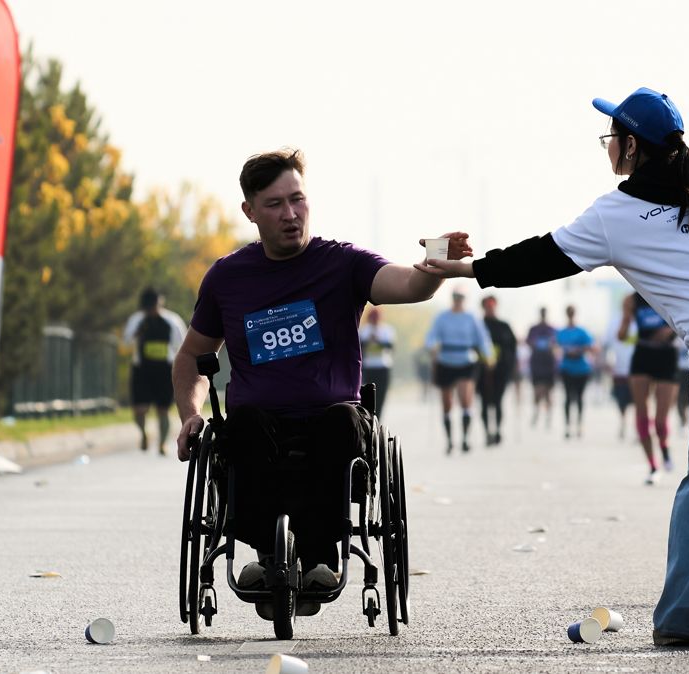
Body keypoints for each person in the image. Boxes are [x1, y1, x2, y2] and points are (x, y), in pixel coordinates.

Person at [416, 86, 689, 646]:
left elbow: (541, 256)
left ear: (631, 147)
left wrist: (461, 268)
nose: (607, 147)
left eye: (611, 138)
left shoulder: (617, 213)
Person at [172, 148, 467, 620]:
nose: (290, 214)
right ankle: (268, 556)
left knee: (341, 422)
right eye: (274, 204)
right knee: (240, 426)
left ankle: (321, 556)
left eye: (298, 199)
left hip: (332, 420)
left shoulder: (342, 264)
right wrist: (191, 415)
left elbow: (408, 286)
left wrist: (436, 261)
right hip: (258, 421)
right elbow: (191, 355)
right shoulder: (228, 277)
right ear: (250, 211)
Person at [619, 291, 680, 484]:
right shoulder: (631, 299)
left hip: (666, 357)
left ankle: (664, 448)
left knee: (661, 421)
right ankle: (653, 466)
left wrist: (670, 331)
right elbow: (622, 335)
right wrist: (625, 325)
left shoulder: (667, 292)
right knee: (642, 414)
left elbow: (686, 323)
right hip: (642, 355)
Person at [425, 290, 493, 453]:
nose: (458, 301)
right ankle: (449, 441)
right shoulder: (442, 317)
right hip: (445, 361)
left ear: (464, 299)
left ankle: (465, 439)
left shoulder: (471, 318)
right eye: (455, 297)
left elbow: (482, 338)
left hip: (466, 361)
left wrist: (489, 356)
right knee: (447, 404)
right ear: (452, 299)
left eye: (460, 298)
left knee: (465, 400)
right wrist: (432, 346)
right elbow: (431, 336)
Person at [122, 287, 186, 455]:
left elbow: (183, 344)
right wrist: (137, 333)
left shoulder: (172, 320)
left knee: (163, 410)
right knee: (139, 410)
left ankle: (162, 443)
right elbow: (126, 341)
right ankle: (143, 434)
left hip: (164, 370)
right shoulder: (137, 320)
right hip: (142, 370)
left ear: (160, 303)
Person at [478, 295, 517, 446]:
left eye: (492, 306)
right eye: (487, 306)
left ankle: (498, 431)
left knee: (498, 402)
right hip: (482, 372)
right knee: (484, 403)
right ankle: (487, 432)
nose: (490, 309)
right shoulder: (478, 325)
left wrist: (513, 368)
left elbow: (513, 349)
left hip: (501, 371)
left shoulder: (504, 326)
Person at [556, 304, 595, 439]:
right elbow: (555, 347)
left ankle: (579, 424)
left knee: (579, 398)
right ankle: (567, 425)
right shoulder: (561, 332)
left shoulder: (582, 332)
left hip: (581, 368)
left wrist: (579, 350)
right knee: (567, 397)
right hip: (567, 368)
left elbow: (591, 347)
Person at [358, 307, 395, 418]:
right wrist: (368, 341)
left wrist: (377, 341)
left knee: (380, 397)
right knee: (367, 398)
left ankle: (378, 419)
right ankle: (368, 418)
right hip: (368, 368)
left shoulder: (387, 330)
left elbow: (390, 346)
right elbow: (360, 347)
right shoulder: (364, 330)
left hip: (383, 368)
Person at [525, 308, 558, 428]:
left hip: (549, 364)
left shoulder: (552, 329)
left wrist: (551, 346)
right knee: (537, 391)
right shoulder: (533, 329)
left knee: (549, 392)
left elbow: (557, 344)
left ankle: (548, 416)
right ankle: (536, 413)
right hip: (537, 364)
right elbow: (528, 342)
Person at [605, 311, 636, 440]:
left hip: (636, 370)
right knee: (621, 401)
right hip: (620, 371)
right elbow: (607, 344)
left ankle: (637, 429)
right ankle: (623, 423)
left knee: (638, 401)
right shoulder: (614, 322)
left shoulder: (639, 322)